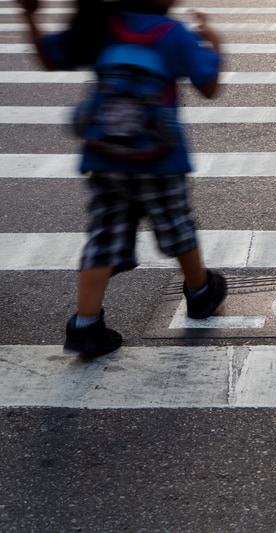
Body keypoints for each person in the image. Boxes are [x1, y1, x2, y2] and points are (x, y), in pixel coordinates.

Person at [17, 0, 227, 357]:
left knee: (104, 236)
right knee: (176, 225)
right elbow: (209, 85)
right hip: (160, 159)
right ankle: (201, 291)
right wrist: (214, 43)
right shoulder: (170, 33)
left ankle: (85, 325)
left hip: (105, 158)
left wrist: (29, 15)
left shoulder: (101, 24)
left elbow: (51, 57)